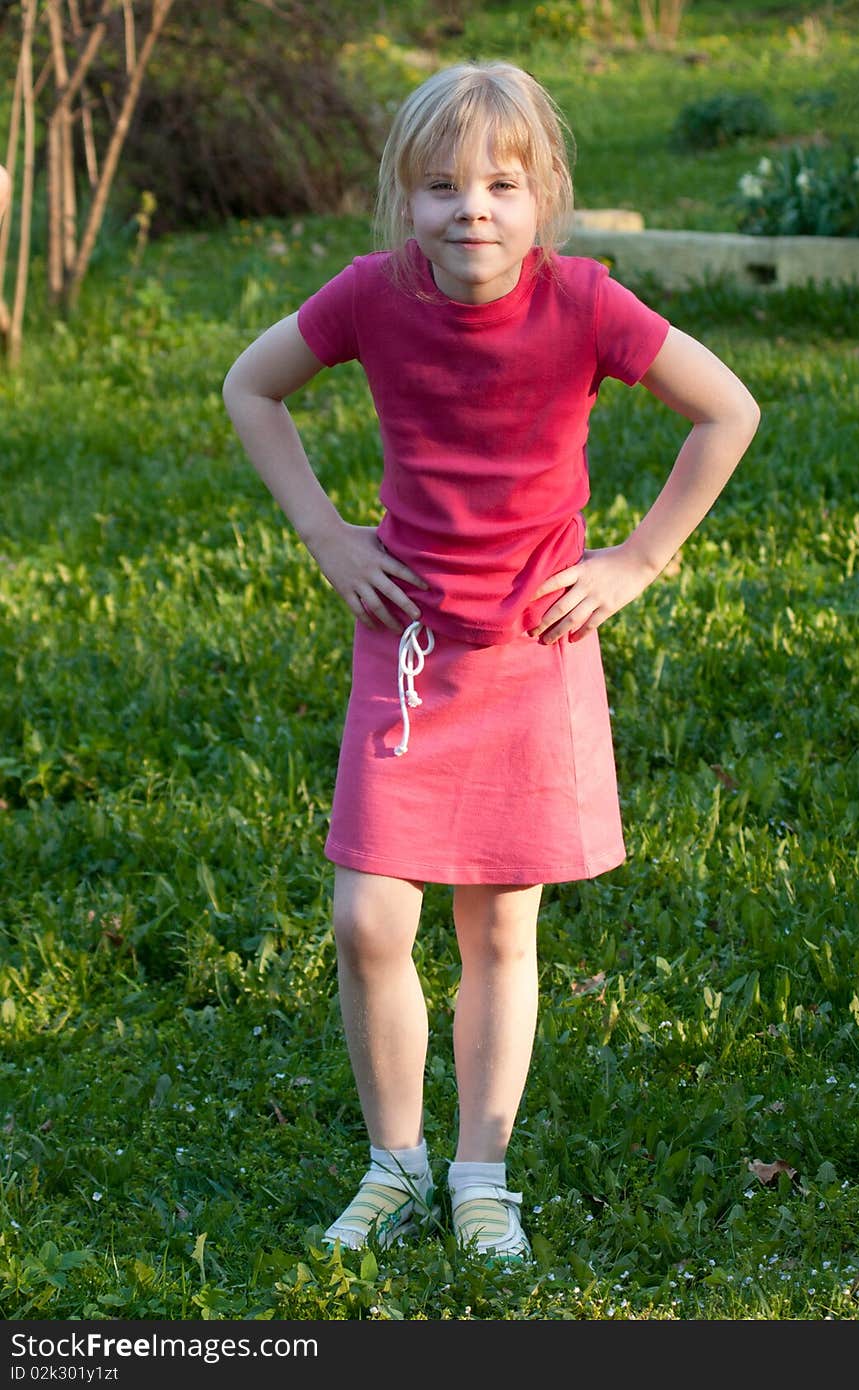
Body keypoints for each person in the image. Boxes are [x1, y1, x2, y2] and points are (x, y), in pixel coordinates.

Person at [222, 61, 760, 1264]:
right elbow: (251, 386)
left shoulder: (585, 305)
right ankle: (392, 1165)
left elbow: (727, 410)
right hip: (409, 656)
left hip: (531, 653)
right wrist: (323, 532)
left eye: (501, 184)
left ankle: (479, 1176)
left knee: (498, 933)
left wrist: (636, 559)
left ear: (544, 195)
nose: (471, 208)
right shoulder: (371, 296)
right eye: (441, 186)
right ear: (403, 201)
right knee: (368, 917)